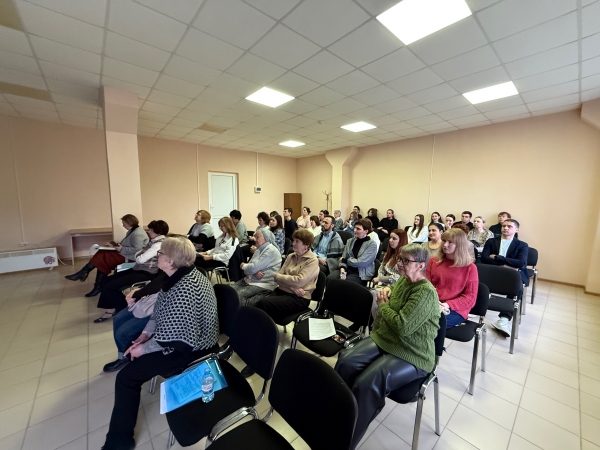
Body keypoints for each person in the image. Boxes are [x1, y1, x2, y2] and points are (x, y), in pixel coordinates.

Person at [101, 237, 219, 450]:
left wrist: (143, 348)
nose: (158, 256)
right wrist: (146, 334)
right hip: (180, 339)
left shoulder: (185, 289)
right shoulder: (176, 276)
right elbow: (159, 311)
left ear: (171, 261)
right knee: (132, 353)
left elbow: (177, 339)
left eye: (161, 253)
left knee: (126, 378)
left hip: (193, 349)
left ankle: (119, 442)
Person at [335, 243, 440, 450]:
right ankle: (336, 414)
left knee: (367, 384)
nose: (399, 263)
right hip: (387, 338)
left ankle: (343, 441)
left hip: (412, 352)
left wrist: (383, 306)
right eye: (399, 258)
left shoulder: (425, 292)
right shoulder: (403, 280)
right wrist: (387, 295)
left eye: (405, 261)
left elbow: (402, 326)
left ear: (420, 265)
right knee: (346, 361)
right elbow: (394, 300)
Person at [239, 229, 319, 377]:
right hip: (285, 291)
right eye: (293, 240)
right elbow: (276, 277)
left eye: (297, 241)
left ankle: (258, 356)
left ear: (306, 245)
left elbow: (300, 280)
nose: (293, 243)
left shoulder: (312, 261)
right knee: (259, 312)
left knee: (262, 305)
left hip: (299, 299)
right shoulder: (290, 256)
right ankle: (253, 342)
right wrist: (292, 286)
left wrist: (287, 281)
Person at [94, 220, 169, 323]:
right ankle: (111, 308)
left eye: (151, 230)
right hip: (139, 269)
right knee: (106, 281)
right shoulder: (153, 241)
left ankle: (124, 310)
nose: (148, 231)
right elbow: (139, 254)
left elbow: (140, 259)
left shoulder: (158, 244)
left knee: (110, 286)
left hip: (146, 273)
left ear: (159, 232)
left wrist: (138, 255)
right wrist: (139, 255)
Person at [65, 214, 148, 297]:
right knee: (102, 255)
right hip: (125, 253)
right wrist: (114, 245)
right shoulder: (132, 230)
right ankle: (93, 282)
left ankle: (85, 274)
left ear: (130, 223)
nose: (123, 225)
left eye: (124, 224)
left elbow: (137, 250)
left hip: (131, 257)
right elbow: (128, 244)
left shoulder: (138, 234)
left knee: (102, 258)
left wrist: (121, 249)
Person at [102, 270, 168, 373]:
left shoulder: (181, 272)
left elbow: (159, 285)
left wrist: (138, 293)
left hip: (161, 308)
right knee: (118, 318)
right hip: (153, 299)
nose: (158, 260)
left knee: (123, 333)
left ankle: (132, 358)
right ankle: (123, 356)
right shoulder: (168, 268)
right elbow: (156, 281)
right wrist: (140, 291)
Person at [481, 219, 529, 337]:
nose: (505, 228)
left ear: (516, 229)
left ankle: (504, 319)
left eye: (509, 226)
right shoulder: (491, 241)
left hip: (512, 274)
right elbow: (484, 258)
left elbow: (521, 263)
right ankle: (475, 307)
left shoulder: (522, 245)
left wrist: (498, 257)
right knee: (477, 282)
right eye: (504, 226)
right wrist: (505, 265)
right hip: (493, 271)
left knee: (517, 287)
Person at [426, 229, 478, 328]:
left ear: (460, 245)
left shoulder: (470, 268)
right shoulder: (433, 261)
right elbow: (426, 285)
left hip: (455, 309)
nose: (445, 245)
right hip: (433, 303)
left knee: (430, 325)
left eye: (450, 242)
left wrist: (447, 304)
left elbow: (470, 298)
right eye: (444, 241)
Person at [231, 229, 281, 307]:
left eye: (257, 237)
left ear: (266, 238)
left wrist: (243, 265)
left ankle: (241, 312)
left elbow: (251, 268)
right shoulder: (259, 249)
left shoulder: (271, 251)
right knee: (229, 291)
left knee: (236, 296)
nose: (255, 239)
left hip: (262, 284)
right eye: (255, 237)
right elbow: (248, 270)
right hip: (250, 280)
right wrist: (253, 271)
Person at [330, 219, 378, 286]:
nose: (355, 230)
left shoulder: (372, 245)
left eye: (358, 229)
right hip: (347, 269)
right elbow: (344, 257)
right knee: (330, 279)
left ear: (366, 231)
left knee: (344, 284)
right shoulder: (350, 241)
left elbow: (361, 262)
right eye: (355, 228)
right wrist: (342, 269)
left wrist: (345, 260)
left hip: (360, 273)